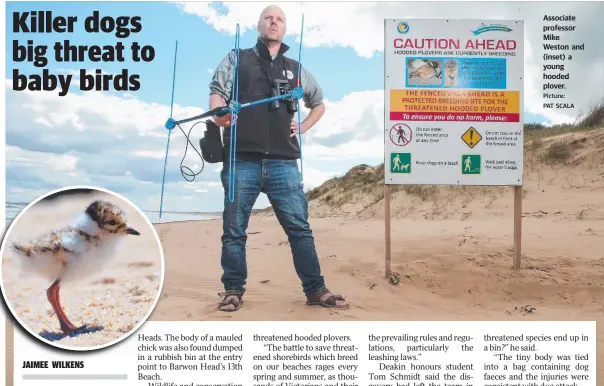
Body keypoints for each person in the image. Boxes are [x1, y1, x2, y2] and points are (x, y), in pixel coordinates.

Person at [208, 5, 349, 312]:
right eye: (268, 18)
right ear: (258, 25)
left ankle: (315, 289)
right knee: (234, 230)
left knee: (299, 228)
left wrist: (304, 125)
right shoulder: (236, 58)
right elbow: (217, 94)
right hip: (241, 158)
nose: (273, 22)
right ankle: (233, 290)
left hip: (284, 163)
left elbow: (319, 103)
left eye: (279, 19)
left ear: (284, 29)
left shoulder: (296, 68)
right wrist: (221, 116)